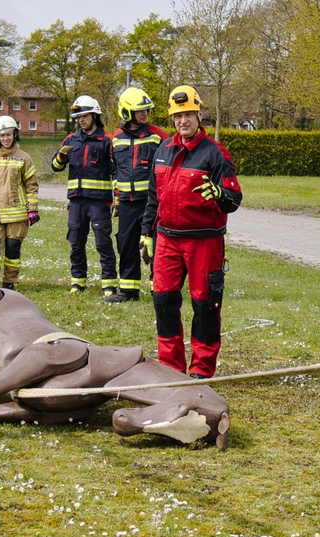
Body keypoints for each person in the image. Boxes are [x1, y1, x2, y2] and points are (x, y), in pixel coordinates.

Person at [140, 85, 242, 378]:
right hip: (167, 240)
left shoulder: (216, 154)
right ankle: (171, 367)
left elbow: (234, 199)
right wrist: (146, 233)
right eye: (177, 116)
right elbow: (153, 197)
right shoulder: (163, 150)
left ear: (200, 114)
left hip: (204, 243)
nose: (182, 121)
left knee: (205, 305)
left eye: (188, 115)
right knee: (163, 301)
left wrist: (219, 194)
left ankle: (201, 370)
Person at [107, 87, 168, 303]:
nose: (145, 114)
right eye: (140, 110)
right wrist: (115, 193)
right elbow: (113, 167)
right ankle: (128, 290)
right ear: (126, 112)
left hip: (152, 203)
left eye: (146, 110)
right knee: (125, 244)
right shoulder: (116, 138)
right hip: (126, 204)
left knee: (156, 245)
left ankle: (158, 289)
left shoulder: (158, 136)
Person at [51, 95, 117, 296]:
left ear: (95, 115)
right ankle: (78, 282)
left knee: (103, 243)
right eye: (78, 117)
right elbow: (55, 167)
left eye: (85, 116)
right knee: (76, 243)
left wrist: (118, 195)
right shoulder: (70, 140)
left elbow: (116, 171)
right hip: (76, 201)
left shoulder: (107, 141)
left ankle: (109, 284)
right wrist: (61, 156)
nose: (81, 120)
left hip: (99, 202)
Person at [0, 115, 39, 289]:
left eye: (9, 135)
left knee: (13, 250)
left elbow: (31, 186)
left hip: (17, 215)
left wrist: (32, 210)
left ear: (15, 134)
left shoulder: (24, 158)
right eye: (2, 135)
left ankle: (9, 283)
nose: (6, 138)